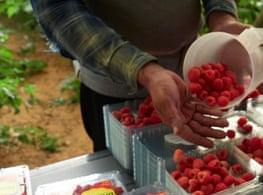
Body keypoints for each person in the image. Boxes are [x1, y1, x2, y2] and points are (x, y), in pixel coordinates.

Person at [30, 0, 251, 151]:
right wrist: (140, 68)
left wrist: (222, 16)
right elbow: (58, 10)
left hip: (189, 68)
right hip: (111, 79)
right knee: (121, 177)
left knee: (184, 166)